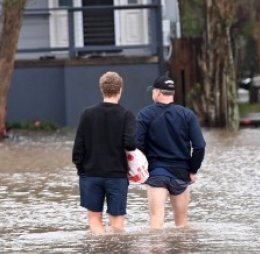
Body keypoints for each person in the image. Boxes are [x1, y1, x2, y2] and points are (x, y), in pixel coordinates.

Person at [136, 74, 206, 229]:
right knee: (182, 225)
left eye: (153, 91)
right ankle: (181, 253)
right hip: (181, 174)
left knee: (156, 221)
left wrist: (140, 170)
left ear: (157, 92)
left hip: (156, 173)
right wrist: (192, 170)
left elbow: (137, 146)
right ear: (172, 94)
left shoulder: (144, 114)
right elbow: (200, 146)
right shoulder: (187, 114)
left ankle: (157, 252)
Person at [72, 71, 137, 234]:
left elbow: (78, 148)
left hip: (91, 174)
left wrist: (82, 170)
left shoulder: (87, 114)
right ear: (120, 90)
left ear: (102, 89)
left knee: (94, 221)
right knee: (117, 224)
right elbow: (130, 144)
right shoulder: (126, 115)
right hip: (116, 175)